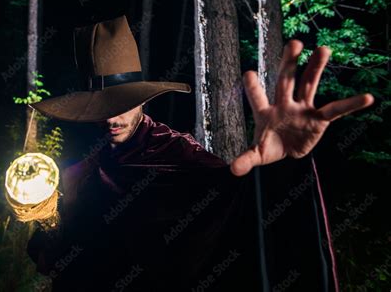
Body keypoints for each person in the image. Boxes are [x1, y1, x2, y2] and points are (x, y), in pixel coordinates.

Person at [25, 15, 373, 291]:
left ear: (144, 99)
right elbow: (63, 258)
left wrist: (284, 167)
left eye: (122, 103)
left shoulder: (177, 154)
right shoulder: (81, 172)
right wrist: (44, 224)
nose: (112, 117)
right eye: (100, 107)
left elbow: (235, 205)